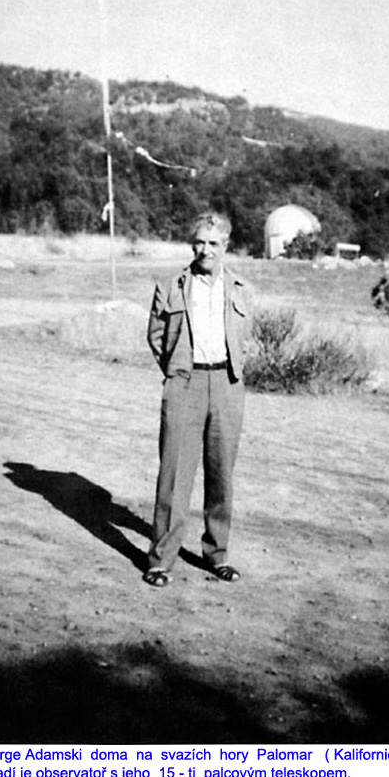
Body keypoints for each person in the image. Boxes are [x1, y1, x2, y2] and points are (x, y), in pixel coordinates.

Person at [144, 211, 252, 587]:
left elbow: (245, 338)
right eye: (200, 242)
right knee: (175, 473)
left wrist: (230, 373)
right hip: (185, 383)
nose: (205, 250)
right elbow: (157, 336)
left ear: (226, 246)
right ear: (192, 244)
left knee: (221, 473)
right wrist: (176, 372)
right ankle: (161, 560)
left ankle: (217, 554)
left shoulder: (241, 287)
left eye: (213, 243)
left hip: (226, 385)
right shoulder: (171, 285)